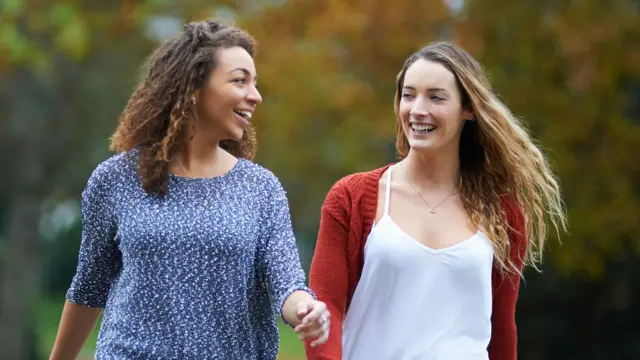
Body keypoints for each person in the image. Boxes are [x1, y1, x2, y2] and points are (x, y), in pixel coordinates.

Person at [49, 19, 329, 360]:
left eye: (255, 83)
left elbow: (287, 282)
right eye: (240, 80)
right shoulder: (115, 179)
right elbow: (89, 287)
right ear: (193, 88)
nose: (255, 96)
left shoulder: (261, 189)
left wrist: (306, 310)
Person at [304, 41, 567, 360]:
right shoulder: (352, 197)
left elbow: (501, 330)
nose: (417, 109)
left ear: (468, 109)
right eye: (409, 94)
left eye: (436, 97)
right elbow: (324, 310)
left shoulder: (503, 213)